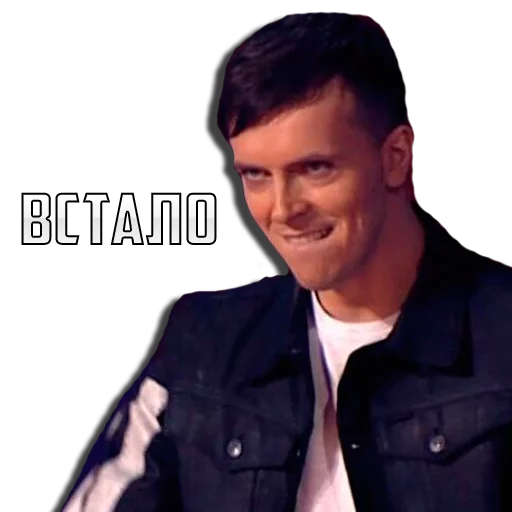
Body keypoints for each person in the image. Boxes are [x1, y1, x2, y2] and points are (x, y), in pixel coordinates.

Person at [63, 11, 512, 512]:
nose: (283, 210)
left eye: (315, 168)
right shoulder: (201, 340)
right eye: (255, 175)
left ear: (395, 156)